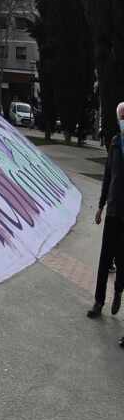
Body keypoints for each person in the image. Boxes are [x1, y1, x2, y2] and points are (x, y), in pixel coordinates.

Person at [88, 102, 124, 329]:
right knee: (105, 259)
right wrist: (101, 206)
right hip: (112, 211)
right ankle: (98, 302)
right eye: (121, 116)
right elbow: (108, 175)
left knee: (122, 261)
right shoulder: (114, 143)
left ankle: (118, 291)